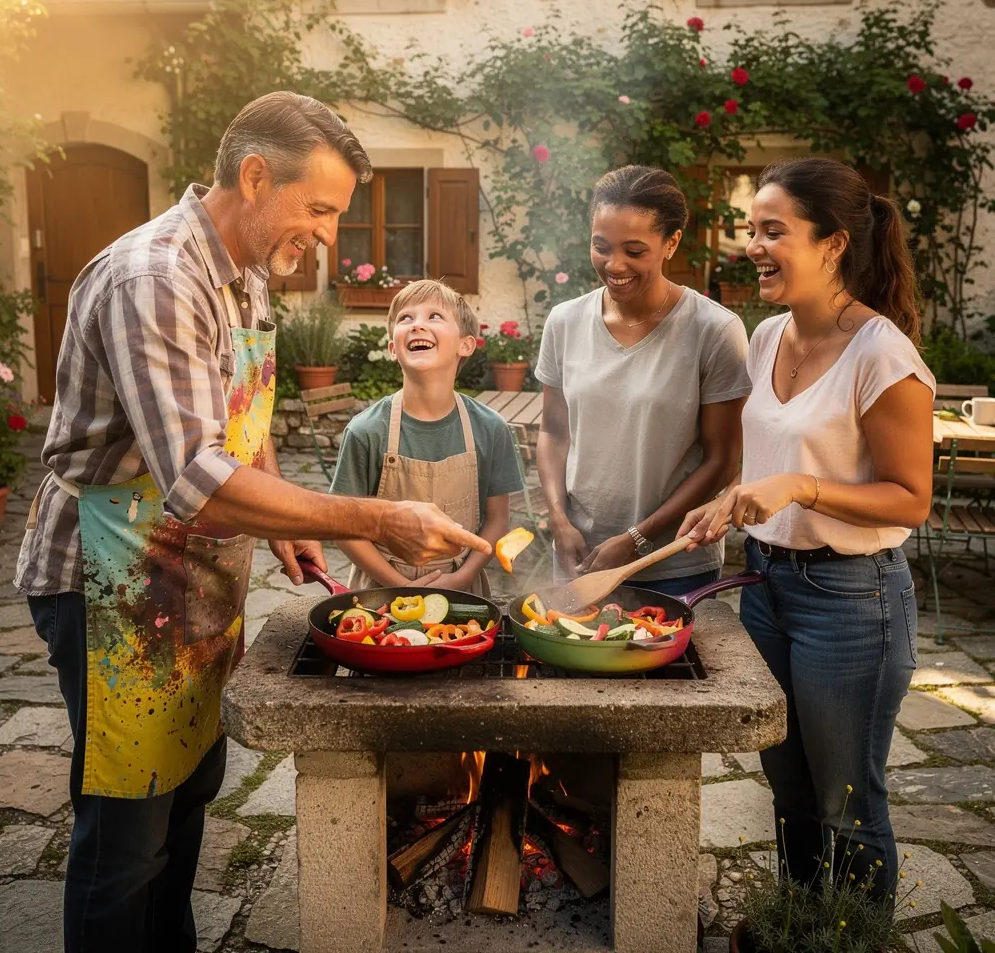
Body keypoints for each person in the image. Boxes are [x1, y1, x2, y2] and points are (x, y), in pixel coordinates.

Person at [15, 91, 489, 953]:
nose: (328, 234)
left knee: (189, 791)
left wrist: (281, 521)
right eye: (319, 209)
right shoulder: (154, 277)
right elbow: (197, 478)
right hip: (111, 578)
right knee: (126, 831)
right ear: (255, 174)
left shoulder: (247, 269)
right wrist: (373, 518)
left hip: (192, 575)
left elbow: (244, 415)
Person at [679, 158, 935, 900]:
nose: (752, 246)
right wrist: (727, 499)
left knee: (845, 806)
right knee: (786, 791)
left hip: (851, 602)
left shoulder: (881, 353)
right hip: (768, 586)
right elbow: (775, 461)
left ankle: (851, 941)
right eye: (750, 230)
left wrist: (800, 488)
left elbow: (911, 499)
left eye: (773, 231)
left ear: (831, 244)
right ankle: (801, 926)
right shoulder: (766, 339)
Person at [535, 165, 750, 595]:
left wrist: (637, 540)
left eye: (634, 251)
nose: (614, 265)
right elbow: (554, 432)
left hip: (673, 563)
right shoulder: (565, 321)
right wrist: (559, 520)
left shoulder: (714, 331)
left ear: (671, 243)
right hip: (578, 557)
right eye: (601, 246)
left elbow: (721, 461)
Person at [330, 279, 522, 593]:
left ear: (465, 344)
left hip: (463, 591)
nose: (418, 325)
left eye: (434, 316)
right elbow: (344, 528)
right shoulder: (366, 431)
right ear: (393, 348)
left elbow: (497, 521)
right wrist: (401, 586)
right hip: (380, 592)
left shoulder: (490, 429)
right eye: (406, 318)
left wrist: (462, 577)